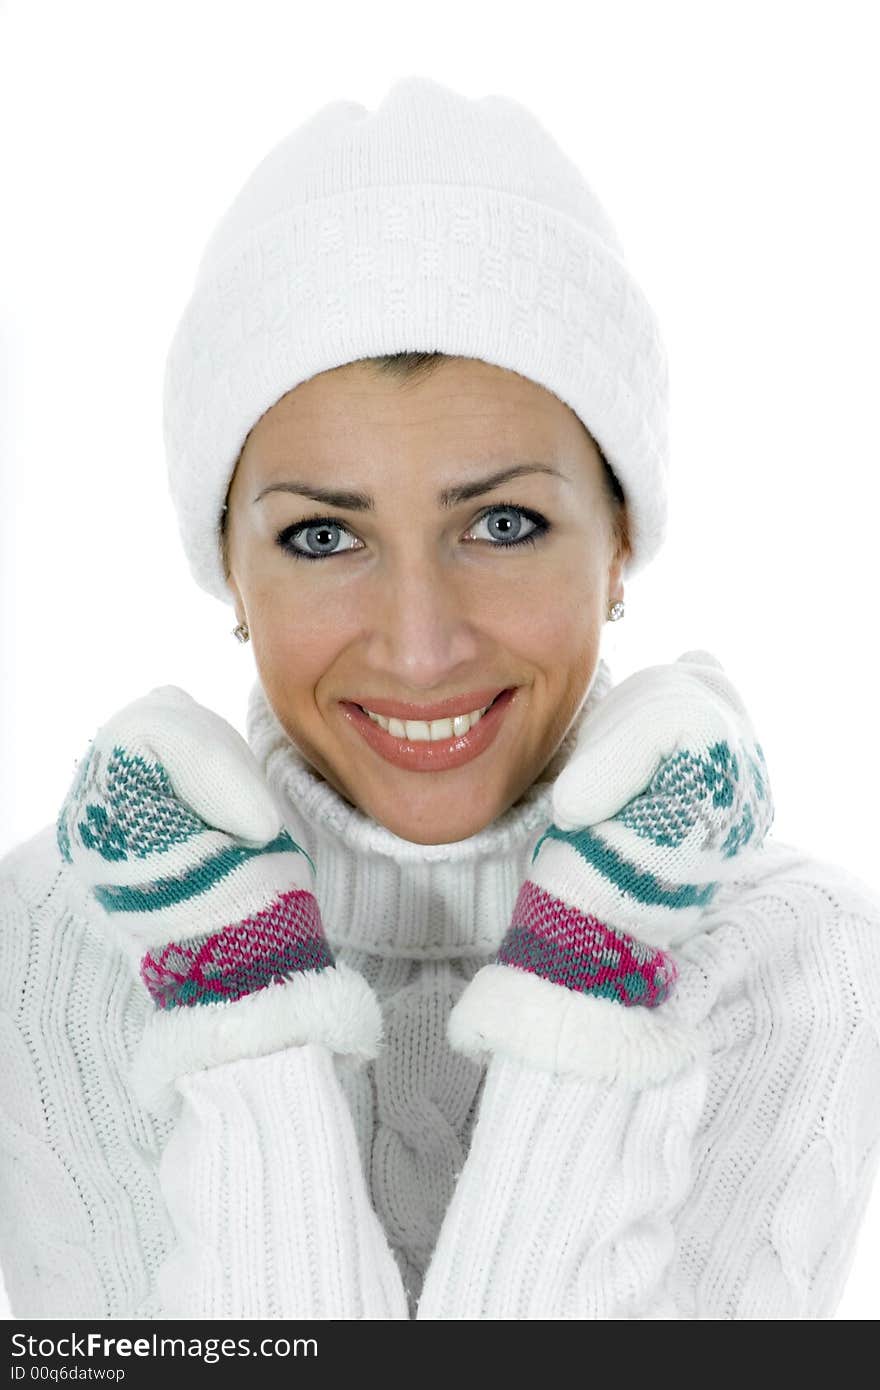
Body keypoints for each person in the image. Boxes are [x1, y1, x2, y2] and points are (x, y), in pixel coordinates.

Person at [1, 75, 879, 1322]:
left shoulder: (804, 961)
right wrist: (235, 1003)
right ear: (229, 569)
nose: (420, 648)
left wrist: (597, 976)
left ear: (621, 538)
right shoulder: (51, 940)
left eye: (503, 523)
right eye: (321, 538)